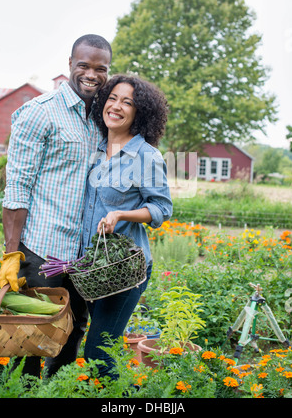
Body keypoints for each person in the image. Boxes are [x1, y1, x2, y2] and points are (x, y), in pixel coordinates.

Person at [0, 34, 112, 377]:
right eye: (84, 65)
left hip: (81, 256)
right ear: (70, 65)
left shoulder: (101, 119)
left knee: (73, 332)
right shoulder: (39, 113)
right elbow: (17, 186)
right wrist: (12, 254)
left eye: (101, 68)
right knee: (30, 338)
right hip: (41, 251)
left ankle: (56, 387)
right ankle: (21, 390)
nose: (92, 74)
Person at [81, 74, 173, 379]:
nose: (116, 106)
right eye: (112, 98)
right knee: (102, 348)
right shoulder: (94, 148)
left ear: (139, 112)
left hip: (125, 268)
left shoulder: (146, 156)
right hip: (93, 268)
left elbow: (162, 208)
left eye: (127, 102)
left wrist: (122, 214)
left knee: (96, 352)